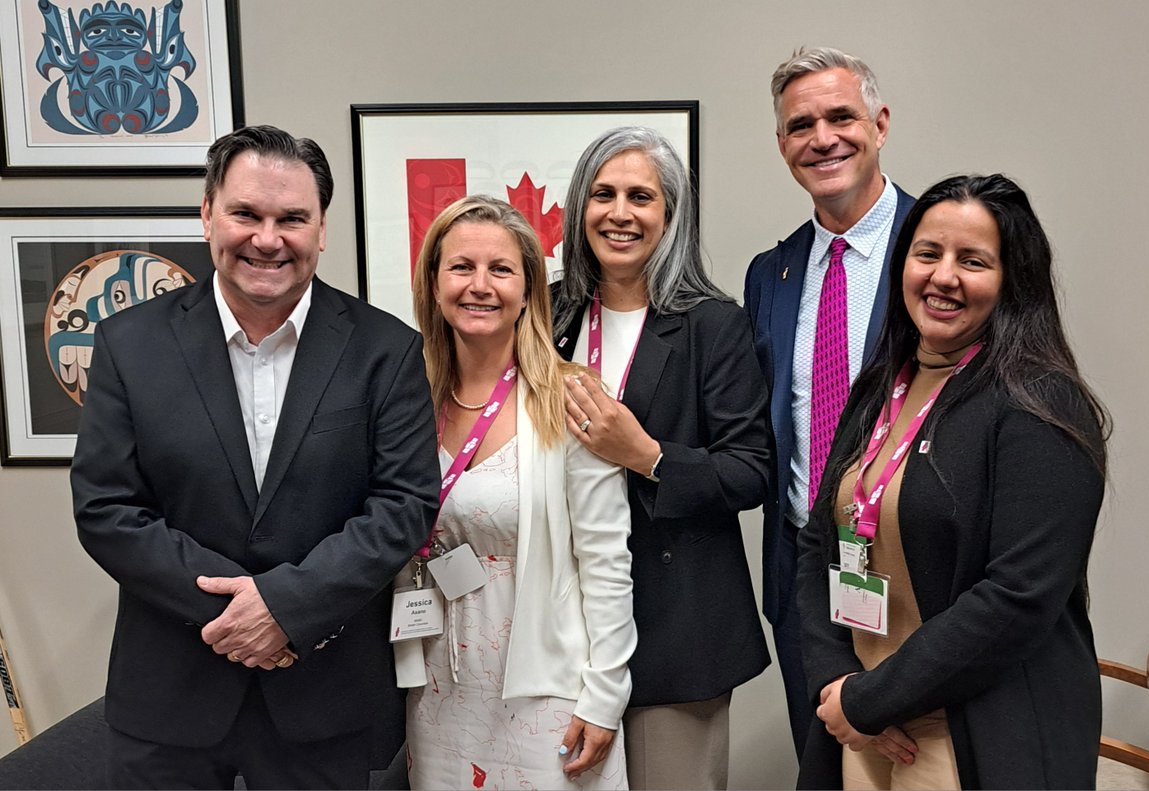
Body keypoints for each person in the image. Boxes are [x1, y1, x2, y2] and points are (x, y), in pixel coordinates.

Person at [71, 125, 441, 789]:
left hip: (323, 700)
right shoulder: (131, 343)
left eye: (291, 218)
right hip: (168, 702)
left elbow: (405, 504)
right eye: (246, 213)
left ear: (321, 228)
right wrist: (239, 613)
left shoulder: (385, 350)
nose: (266, 238)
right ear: (208, 212)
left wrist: (286, 607)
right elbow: (106, 506)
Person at [794, 174, 1109, 789]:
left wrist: (869, 699)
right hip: (861, 722)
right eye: (927, 254)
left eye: (973, 261)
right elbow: (818, 541)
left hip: (970, 729)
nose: (943, 277)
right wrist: (837, 685)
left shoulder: (1041, 404)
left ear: (1012, 278)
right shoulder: (881, 387)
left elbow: (1016, 598)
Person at [552, 126, 772, 790]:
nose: (620, 212)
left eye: (641, 196)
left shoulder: (713, 323)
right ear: (578, 208)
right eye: (603, 193)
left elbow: (751, 467)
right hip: (562, 623)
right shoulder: (547, 310)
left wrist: (645, 454)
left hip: (676, 629)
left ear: (670, 215)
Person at [403, 194, 636, 789]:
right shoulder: (404, 401)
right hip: (435, 681)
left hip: (546, 688)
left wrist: (604, 696)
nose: (479, 286)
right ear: (433, 284)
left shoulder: (573, 397)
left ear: (530, 289)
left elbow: (607, 562)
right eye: (461, 267)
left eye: (500, 269)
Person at [742, 46, 916, 778]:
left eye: (841, 116)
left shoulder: (936, 250)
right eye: (800, 124)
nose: (823, 138)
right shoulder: (770, 273)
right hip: (803, 567)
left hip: (915, 564)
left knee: (916, 759)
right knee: (822, 758)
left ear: (878, 123)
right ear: (783, 145)